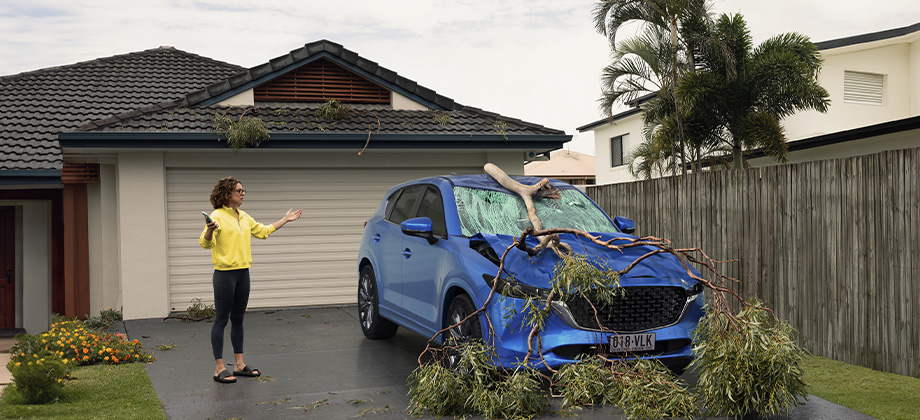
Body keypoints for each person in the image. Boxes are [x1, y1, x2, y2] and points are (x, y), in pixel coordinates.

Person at [199, 176, 302, 383]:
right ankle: (219, 368)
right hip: (224, 275)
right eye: (239, 190)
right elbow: (205, 243)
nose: (243, 193)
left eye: (244, 190)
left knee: (238, 319)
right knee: (221, 320)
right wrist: (210, 230)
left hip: (243, 274)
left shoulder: (244, 216)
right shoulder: (216, 215)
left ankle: (239, 364)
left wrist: (285, 219)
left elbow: (263, 232)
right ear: (227, 193)